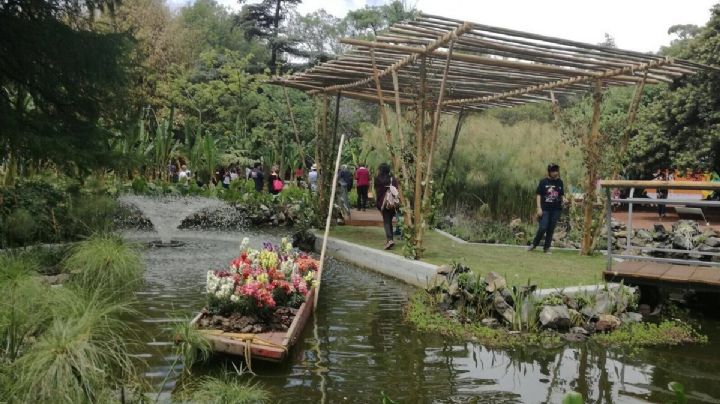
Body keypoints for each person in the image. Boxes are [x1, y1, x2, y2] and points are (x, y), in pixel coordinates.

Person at [528, 163, 565, 254]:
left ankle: (546, 248)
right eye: (553, 171)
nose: (555, 173)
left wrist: (564, 199)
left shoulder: (560, 182)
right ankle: (534, 244)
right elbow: (538, 195)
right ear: (549, 172)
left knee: (551, 229)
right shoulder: (543, 182)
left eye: (556, 171)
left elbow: (561, 195)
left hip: (556, 209)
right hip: (544, 209)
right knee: (543, 227)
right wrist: (538, 208)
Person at [374, 163, 399, 250]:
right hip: (392, 204)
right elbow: (396, 190)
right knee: (389, 221)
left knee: (386, 222)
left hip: (384, 203)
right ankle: (390, 239)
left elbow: (377, 191)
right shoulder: (393, 179)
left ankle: (389, 240)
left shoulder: (378, 179)